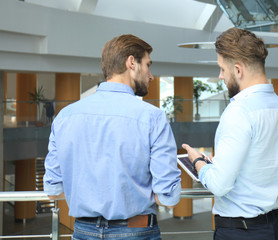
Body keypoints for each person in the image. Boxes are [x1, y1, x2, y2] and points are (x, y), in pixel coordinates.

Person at [43, 34, 181, 239]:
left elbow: (53, 190)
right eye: (147, 65)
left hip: (82, 231)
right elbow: (168, 198)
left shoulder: (65, 116)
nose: (150, 75)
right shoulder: (153, 117)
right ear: (131, 62)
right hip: (137, 231)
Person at [182, 27, 278, 240]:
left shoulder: (238, 111)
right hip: (274, 229)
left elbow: (219, 185)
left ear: (238, 70)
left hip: (238, 232)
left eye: (222, 69)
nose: (220, 76)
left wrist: (199, 162)